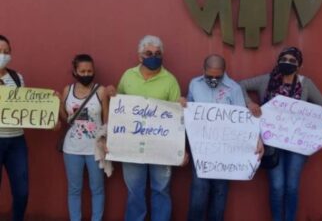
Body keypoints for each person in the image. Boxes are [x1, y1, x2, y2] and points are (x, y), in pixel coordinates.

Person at [239, 47, 322, 221]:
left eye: (292, 60)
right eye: (284, 58)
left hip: (298, 145)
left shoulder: (305, 83)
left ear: (299, 65)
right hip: (271, 144)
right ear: (278, 61)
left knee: (292, 186)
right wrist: (249, 103)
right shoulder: (266, 80)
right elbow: (240, 85)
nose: (287, 62)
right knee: (277, 186)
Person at [186, 54, 264, 221]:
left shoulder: (234, 89)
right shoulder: (194, 84)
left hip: (225, 152)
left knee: (220, 193)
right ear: (203, 70)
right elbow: (189, 113)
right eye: (209, 75)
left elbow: (243, 120)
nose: (213, 79)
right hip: (201, 149)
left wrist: (257, 140)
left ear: (224, 72)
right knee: (199, 192)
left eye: (218, 76)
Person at [116, 35, 181, 221]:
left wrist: (179, 149)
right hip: (131, 145)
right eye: (149, 53)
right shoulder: (128, 76)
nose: (154, 56)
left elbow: (177, 117)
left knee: (161, 189)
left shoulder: (170, 81)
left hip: (161, 146)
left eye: (158, 53)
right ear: (140, 56)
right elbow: (118, 109)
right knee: (134, 191)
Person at [60, 54, 108, 221]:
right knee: (74, 190)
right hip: (72, 148)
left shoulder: (101, 91)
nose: (86, 74)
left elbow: (106, 120)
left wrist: (106, 141)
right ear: (75, 71)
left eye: (90, 71)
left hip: (95, 149)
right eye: (83, 71)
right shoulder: (67, 90)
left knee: (97, 189)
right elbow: (66, 117)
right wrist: (58, 102)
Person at [0, 35, 28, 221]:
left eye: (6, 52)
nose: (3, 55)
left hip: (16, 140)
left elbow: (28, 108)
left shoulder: (17, 78)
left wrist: (49, 106)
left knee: (22, 191)